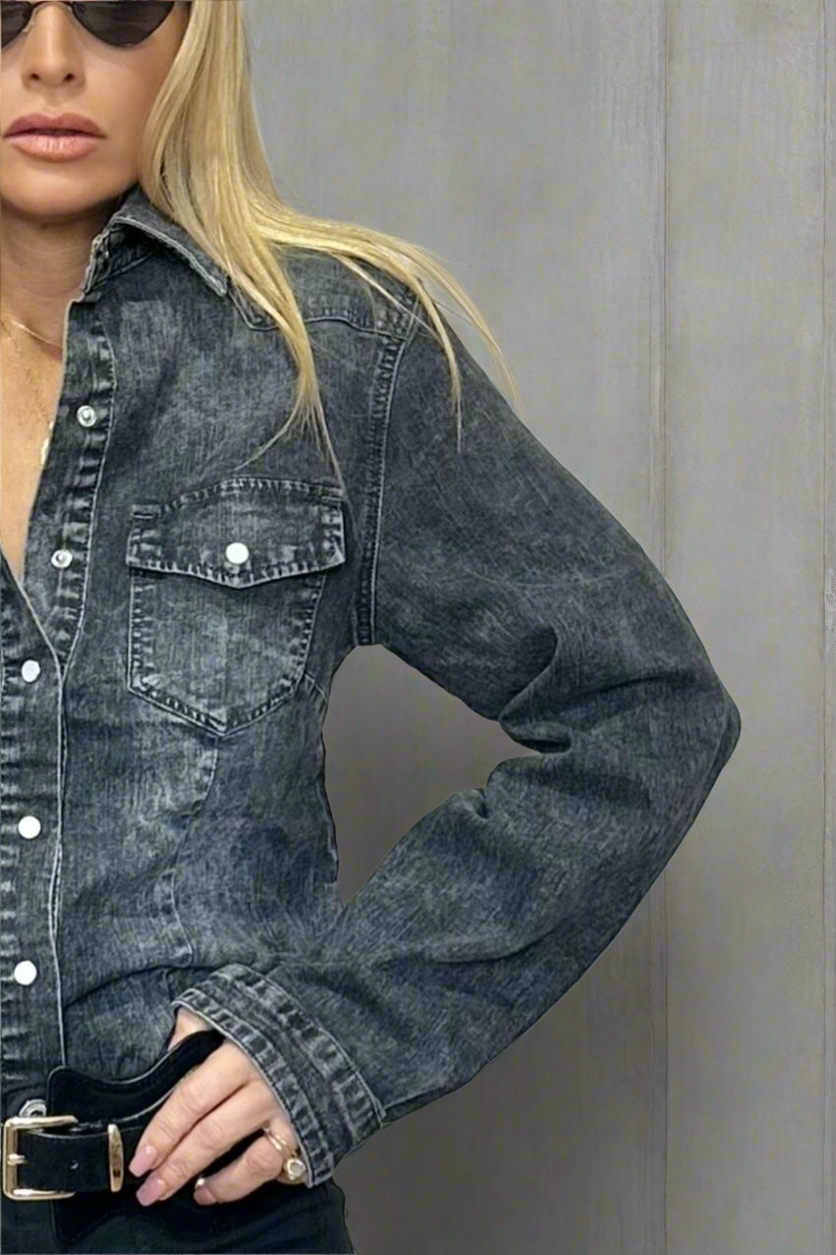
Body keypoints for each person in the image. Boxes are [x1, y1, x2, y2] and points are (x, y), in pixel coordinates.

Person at [0, 3, 743, 1253]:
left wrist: (334, 1035)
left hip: (202, 1222)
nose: (53, 57)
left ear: (195, 34)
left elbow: (647, 706)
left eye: (117, 6)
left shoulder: (334, 355)